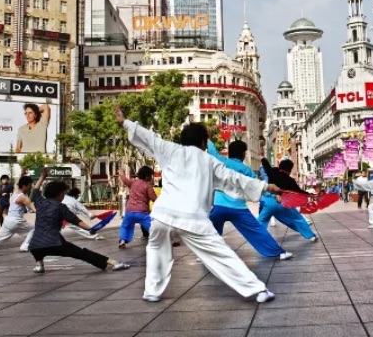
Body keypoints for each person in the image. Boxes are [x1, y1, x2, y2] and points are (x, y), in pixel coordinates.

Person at [116, 105, 279, 303]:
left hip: (162, 216)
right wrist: (265, 187)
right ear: (203, 142)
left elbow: (149, 137)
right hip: (193, 218)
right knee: (220, 255)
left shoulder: (170, 149)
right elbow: (235, 179)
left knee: (157, 250)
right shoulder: (209, 161)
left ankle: (152, 291)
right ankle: (256, 290)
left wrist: (125, 122)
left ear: (183, 140)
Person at [27, 168, 128, 274]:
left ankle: (39, 264)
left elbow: (35, 190)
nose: (63, 196)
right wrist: (90, 229)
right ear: (59, 194)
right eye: (63, 193)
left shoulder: (40, 202)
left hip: (34, 245)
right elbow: (76, 221)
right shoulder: (61, 207)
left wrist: (42, 177)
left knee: (38, 249)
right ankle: (113, 262)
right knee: (80, 253)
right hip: (53, 242)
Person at [208, 140, 293, 261]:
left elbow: (212, 151)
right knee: (256, 231)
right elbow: (259, 185)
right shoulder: (247, 170)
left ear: (229, 153)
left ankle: (205, 254)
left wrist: (208, 138)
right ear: (243, 154)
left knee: (210, 231)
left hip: (219, 206)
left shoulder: (222, 162)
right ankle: (279, 253)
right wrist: (275, 196)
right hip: (238, 208)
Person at [258, 157, 317, 242]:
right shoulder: (290, 180)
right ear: (289, 170)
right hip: (283, 203)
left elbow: (266, 165)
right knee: (298, 219)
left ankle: (258, 236)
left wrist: (262, 157)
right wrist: (310, 194)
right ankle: (311, 236)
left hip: (269, 202)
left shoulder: (273, 171)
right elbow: (299, 192)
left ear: (280, 166)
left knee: (262, 220)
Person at [118, 165, 156, 249]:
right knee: (153, 227)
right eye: (151, 176)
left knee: (125, 226)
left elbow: (124, 180)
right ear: (146, 177)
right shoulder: (148, 186)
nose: (151, 178)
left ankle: (122, 241)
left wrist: (121, 173)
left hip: (130, 211)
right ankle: (162, 240)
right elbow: (154, 198)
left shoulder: (133, 182)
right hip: (142, 213)